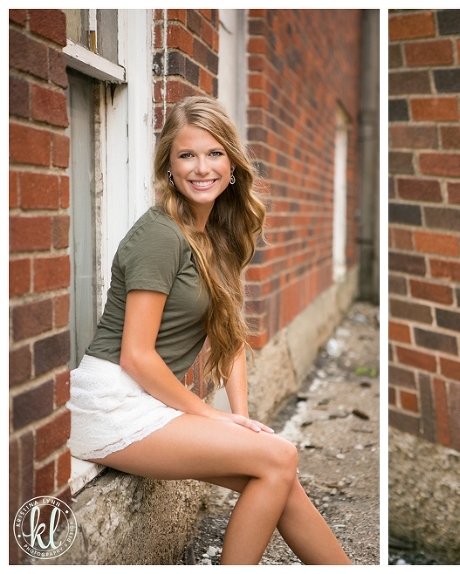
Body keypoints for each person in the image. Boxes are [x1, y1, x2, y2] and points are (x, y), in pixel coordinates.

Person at [66, 96, 351, 565]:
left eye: (214, 153)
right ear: (169, 167)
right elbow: (136, 355)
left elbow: (230, 336)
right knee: (279, 457)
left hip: (144, 399)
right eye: (187, 155)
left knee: (277, 473)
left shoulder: (217, 234)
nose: (202, 168)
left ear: (232, 164)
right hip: (111, 402)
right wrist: (213, 417)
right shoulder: (159, 235)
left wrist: (242, 418)